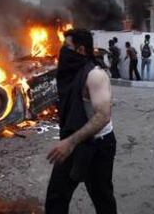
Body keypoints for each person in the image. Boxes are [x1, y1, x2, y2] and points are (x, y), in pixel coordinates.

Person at [45, 29, 117, 214]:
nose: (63, 51)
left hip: (98, 146)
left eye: (67, 47)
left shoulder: (95, 75)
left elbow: (103, 116)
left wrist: (70, 142)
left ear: (81, 50)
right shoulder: (73, 72)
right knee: (56, 197)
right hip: (76, 140)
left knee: (102, 196)